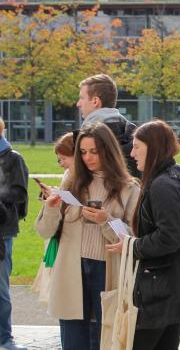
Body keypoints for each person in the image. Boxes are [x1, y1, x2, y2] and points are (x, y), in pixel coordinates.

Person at [36, 122, 140, 350]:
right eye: (82, 152)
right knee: (73, 339)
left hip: (106, 270)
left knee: (104, 337)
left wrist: (106, 220)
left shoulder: (128, 188)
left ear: (108, 151)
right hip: (71, 269)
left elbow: (133, 237)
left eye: (94, 151)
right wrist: (52, 207)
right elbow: (45, 231)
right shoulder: (71, 182)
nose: (88, 158)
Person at [106, 120, 180, 349]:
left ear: (153, 148)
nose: (131, 154)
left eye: (137, 147)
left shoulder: (164, 185)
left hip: (159, 287)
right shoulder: (169, 177)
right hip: (166, 284)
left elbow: (170, 237)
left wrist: (132, 245)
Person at [0, 117, 28, 350]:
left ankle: (4, 338)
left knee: (0, 288)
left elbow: (19, 195)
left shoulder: (12, 159)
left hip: (2, 232)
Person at [77, 74, 139, 178]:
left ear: (95, 101)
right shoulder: (134, 136)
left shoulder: (88, 137)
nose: (78, 104)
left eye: (82, 98)